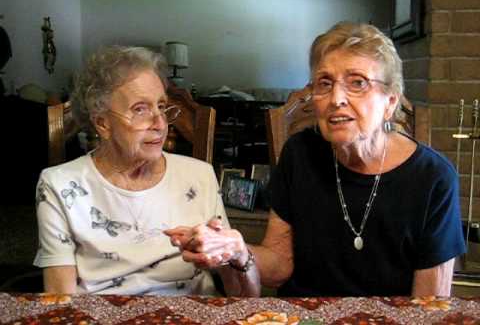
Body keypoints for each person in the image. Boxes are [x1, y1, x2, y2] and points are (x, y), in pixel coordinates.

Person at [166, 22, 466, 297]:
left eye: (357, 83)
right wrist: (236, 249)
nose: (336, 98)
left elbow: (430, 304)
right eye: (324, 83)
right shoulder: (300, 153)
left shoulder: (433, 178)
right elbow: (279, 265)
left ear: (390, 102)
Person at [33, 46, 249, 295]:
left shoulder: (200, 176)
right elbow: (61, 300)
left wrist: (232, 253)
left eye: (161, 106)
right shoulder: (59, 185)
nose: (160, 123)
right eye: (140, 109)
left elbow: (237, 292)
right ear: (102, 123)